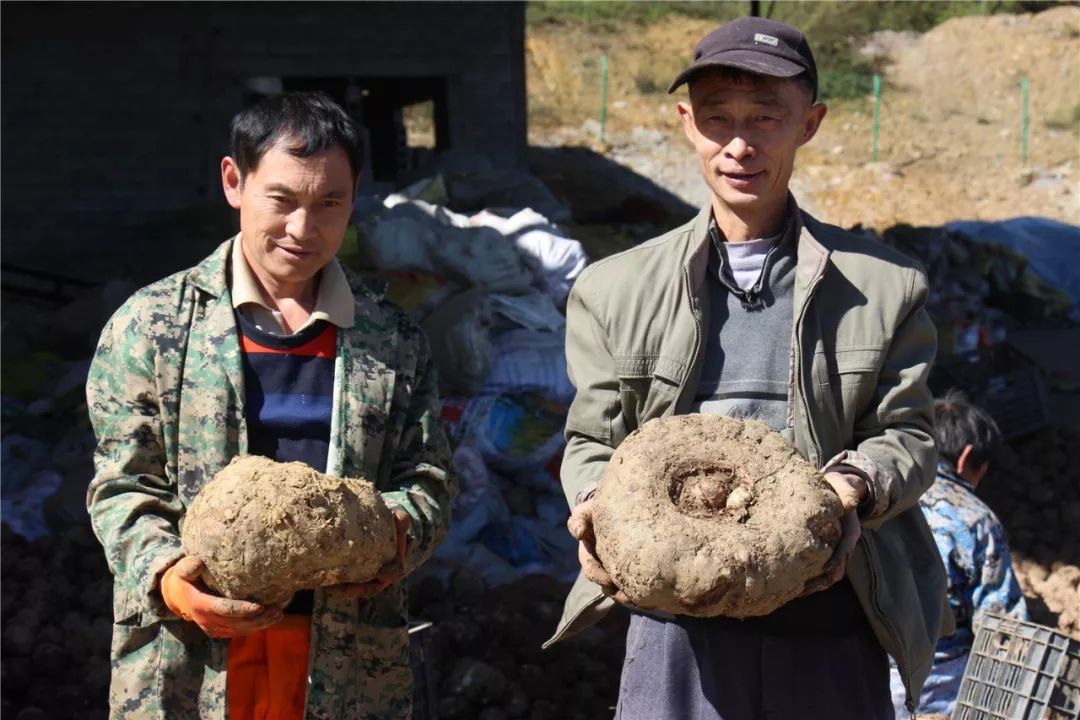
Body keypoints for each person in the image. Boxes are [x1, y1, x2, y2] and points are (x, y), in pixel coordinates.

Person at [544, 17, 952, 720]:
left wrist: (851, 489)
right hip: (676, 623)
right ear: (685, 122)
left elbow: (909, 436)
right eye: (717, 119)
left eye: (768, 117)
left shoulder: (885, 287)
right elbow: (591, 443)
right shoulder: (613, 290)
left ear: (810, 123)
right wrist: (593, 510)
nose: (739, 144)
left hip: (829, 615)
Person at [86, 92, 455, 720]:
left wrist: (393, 535)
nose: (303, 230)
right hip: (193, 659)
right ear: (235, 181)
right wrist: (170, 579)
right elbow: (123, 485)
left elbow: (428, 478)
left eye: (329, 204)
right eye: (282, 200)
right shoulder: (151, 327)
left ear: (355, 195)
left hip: (345, 662)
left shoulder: (392, 338)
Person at [890, 390, 1028, 718]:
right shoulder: (974, 518)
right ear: (967, 459)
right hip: (936, 690)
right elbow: (1002, 626)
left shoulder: (882, 493)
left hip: (865, 674)